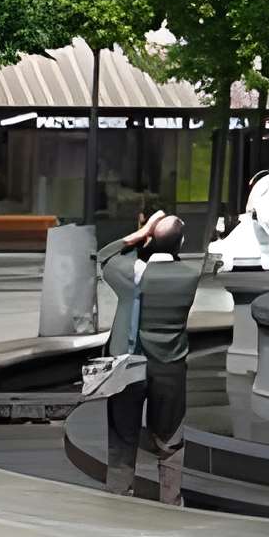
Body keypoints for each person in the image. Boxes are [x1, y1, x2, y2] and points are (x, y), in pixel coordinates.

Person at [97, 207, 202, 505]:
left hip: (129, 367)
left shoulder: (131, 276)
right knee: (170, 440)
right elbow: (173, 258)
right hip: (169, 369)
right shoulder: (190, 277)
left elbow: (105, 256)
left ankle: (119, 496)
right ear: (181, 245)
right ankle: (170, 501)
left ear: (151, 240)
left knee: (122, 435)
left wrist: (140, 235)